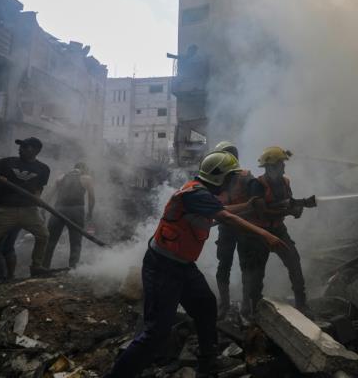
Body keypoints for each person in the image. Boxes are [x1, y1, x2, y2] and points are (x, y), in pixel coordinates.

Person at [105, 151, 286, 378]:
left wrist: (247, 206)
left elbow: (221, 211)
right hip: (163, 267)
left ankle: (208, 364)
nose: (233, 183)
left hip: (182, 266)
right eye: (231, 178)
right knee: (156, 332)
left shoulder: (201, 193)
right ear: (219, 177)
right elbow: (225, 218)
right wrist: (265, 235)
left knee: (206, 306)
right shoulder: (196, 194)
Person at [239, 146, 309, 316]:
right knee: (256, 274)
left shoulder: (285, 182)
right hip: (258, 234)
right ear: (270, 167)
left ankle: (302, 304)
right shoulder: (257, 185)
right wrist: (289, 212)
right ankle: (254, 309)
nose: (284, 167)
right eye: (280, 164)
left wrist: (299, 206)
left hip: (278, 230)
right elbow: (262, 212)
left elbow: (288, 202)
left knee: (294, 261)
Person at [0, 137, 50, 276]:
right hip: (6, 209)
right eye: (21, 146)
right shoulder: (6, 162)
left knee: (43, 235)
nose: (20, 148)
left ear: (35, 151)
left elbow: (39, 188)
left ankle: (36, 266)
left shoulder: (43, 169)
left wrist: (37, 197)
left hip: (29, 210)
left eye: (24, 146)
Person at [213, 141, 254, 318]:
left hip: (244, 228)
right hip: (226, 228)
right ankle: (224, 305)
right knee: (224, 266)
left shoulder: (246, 178)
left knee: (246, 266)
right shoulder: (215, 181)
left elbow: (255, 203)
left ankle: (247, 304)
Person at [43, 162, 95, 269]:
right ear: (83, 169)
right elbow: (92, 198)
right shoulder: (86, 178)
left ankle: (44, 266)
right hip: (76, 211)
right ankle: (73, 269)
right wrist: (90, 213)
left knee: (51, 241)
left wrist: (43, 209)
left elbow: (49, 194)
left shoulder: (61, 177)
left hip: (58, 210)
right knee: (75, 242)